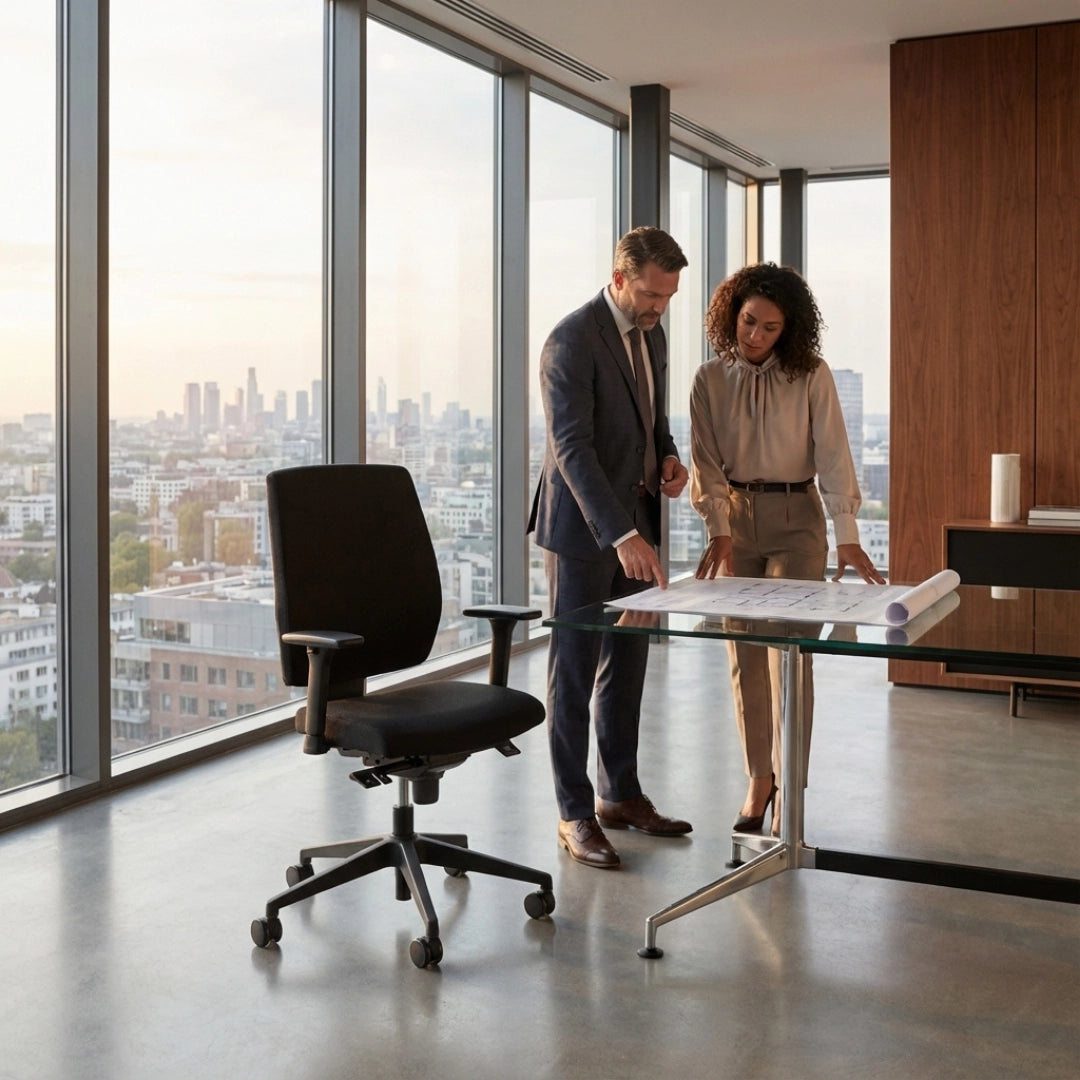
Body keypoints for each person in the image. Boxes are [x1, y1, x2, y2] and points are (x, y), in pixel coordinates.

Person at [689, 262, 885, 836]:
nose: (754, 335)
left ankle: (791, 786)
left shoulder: (811, 373)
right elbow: (704, 461)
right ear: (732, 314)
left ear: (788, 330)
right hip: (736, 521)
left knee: (787, 653)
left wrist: (847, 536)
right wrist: (718, 527)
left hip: (800, 519)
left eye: (769, 327)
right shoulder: (709, 379)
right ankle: (759, 778)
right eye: (748, 321)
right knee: (742, 650)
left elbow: (833, 455)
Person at [528, 226, 692, 869]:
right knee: (573, 673)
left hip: (637, 521)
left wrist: (671, 458)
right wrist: (620, 533)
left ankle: (618, 795)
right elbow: (573, 449)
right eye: (652, 295)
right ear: (621, 278)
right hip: (584, 532)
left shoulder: (650, 332)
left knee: (628, 664)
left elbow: (652, 421)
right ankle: (573, 814)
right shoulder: (570, 340)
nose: (660, 308)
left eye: (670, 297)